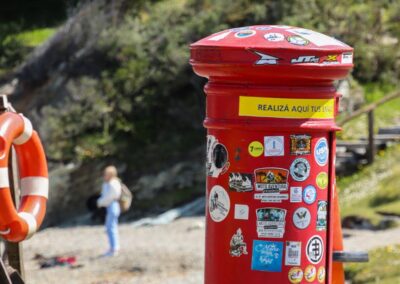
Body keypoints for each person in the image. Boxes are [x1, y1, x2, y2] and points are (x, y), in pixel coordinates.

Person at [97, 165, 122, 257]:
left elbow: (109, 197)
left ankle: (114, 248)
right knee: (110, 227)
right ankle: (113, 247)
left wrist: (99, 202)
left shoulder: (112, 183)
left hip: (113, 205)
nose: (104, 176)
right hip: (111, 205)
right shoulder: (109, 183)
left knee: (111, 227)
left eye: (106, 174)